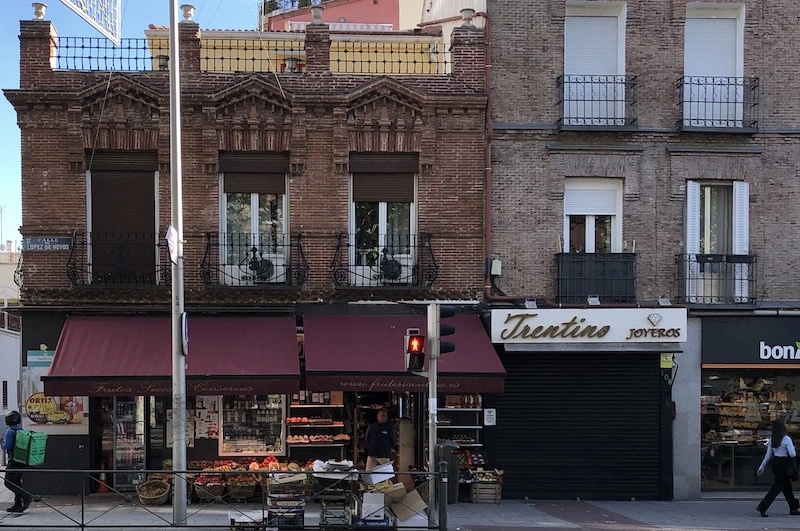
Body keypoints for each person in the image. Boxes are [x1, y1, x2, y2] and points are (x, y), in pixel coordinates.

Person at [757, 418, 800, 517]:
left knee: (786, 487)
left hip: (776, 464)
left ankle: (793, 507)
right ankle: (763, 506)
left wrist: (761, 467)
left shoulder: (773, 440)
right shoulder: (786, 439)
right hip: (784, 464)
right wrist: (793, 448)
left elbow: (768, 455)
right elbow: (793, 454)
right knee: (776, 488)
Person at [1, 410, 32, 513]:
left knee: (8, 483)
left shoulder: (10, 431)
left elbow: (7, 446)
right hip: (21, 460)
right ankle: (18, 503)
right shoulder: (19, 429)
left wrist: (1, 443)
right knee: (17, 482)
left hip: (13, 461)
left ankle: (26, 497)